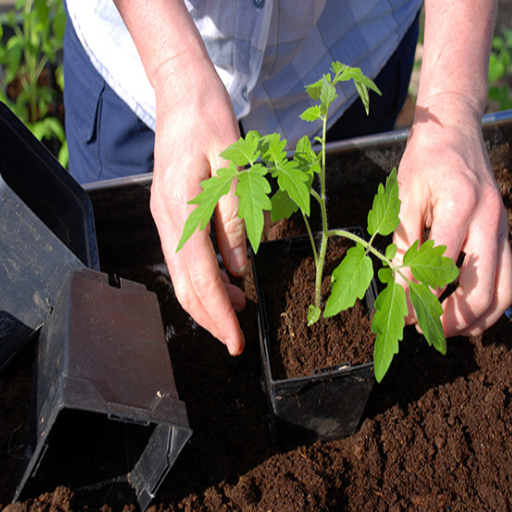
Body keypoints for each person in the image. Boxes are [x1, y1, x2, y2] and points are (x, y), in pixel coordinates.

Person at [63, 0, 512, 357]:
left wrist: (452, 104)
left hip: (346, 34)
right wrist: (173, 67)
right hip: (140, 58)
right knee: (120, 293)